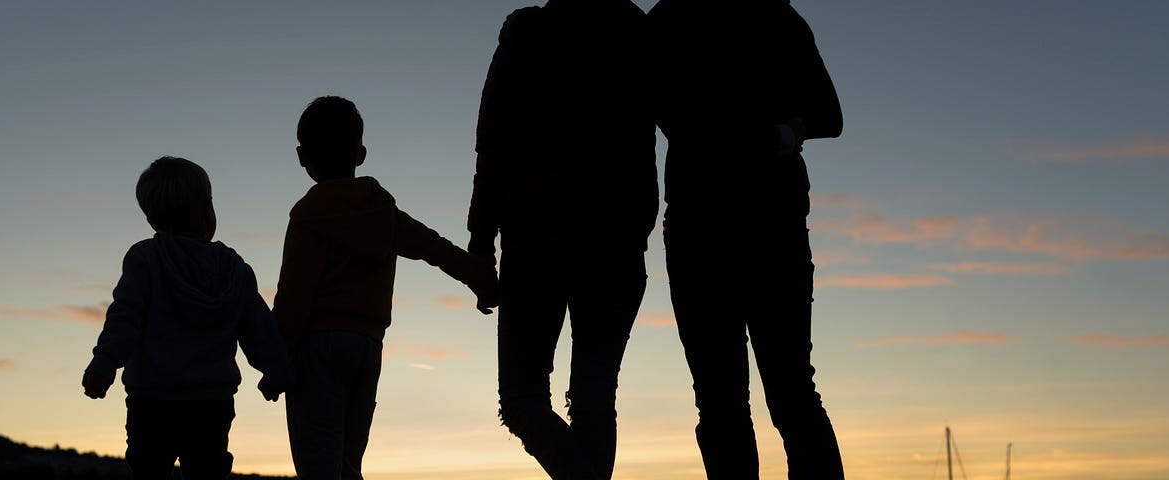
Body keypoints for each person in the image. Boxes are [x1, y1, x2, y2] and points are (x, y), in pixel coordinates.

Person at [646, 0, 846, 478]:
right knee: (782, 392)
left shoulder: (672, 17)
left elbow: (830, 118)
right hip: (748, 226)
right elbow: (827, 118)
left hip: (718, 227)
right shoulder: (779, 17)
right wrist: (780, 134)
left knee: (733, 400)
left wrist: (771, 134)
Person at [470, 1, 657, 478]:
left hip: (538, 241)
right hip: (615, 243)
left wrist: (480, 238)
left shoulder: (528, 32)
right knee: (594, 392)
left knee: (522, 397)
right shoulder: (638, 28)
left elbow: (492, 140)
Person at [275, 96, 499, 480]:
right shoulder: (381, 212)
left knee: (319, 462)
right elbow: (435, 247)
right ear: (360, 153)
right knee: (348, 461)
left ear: (301, 156)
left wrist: (275, 359)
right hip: (366, 348)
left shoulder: (308, 215)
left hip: (318, 348)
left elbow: (294, 294)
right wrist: (481, 279)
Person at [81, 156, 295, 480]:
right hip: (212, 403)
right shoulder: (233, 267)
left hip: (151, 402)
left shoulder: (145, 258)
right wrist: (276, 370)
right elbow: (258, 327)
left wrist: (103, 364)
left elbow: (125, 318)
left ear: (152, 218)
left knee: (148, 471)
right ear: (207, 207)